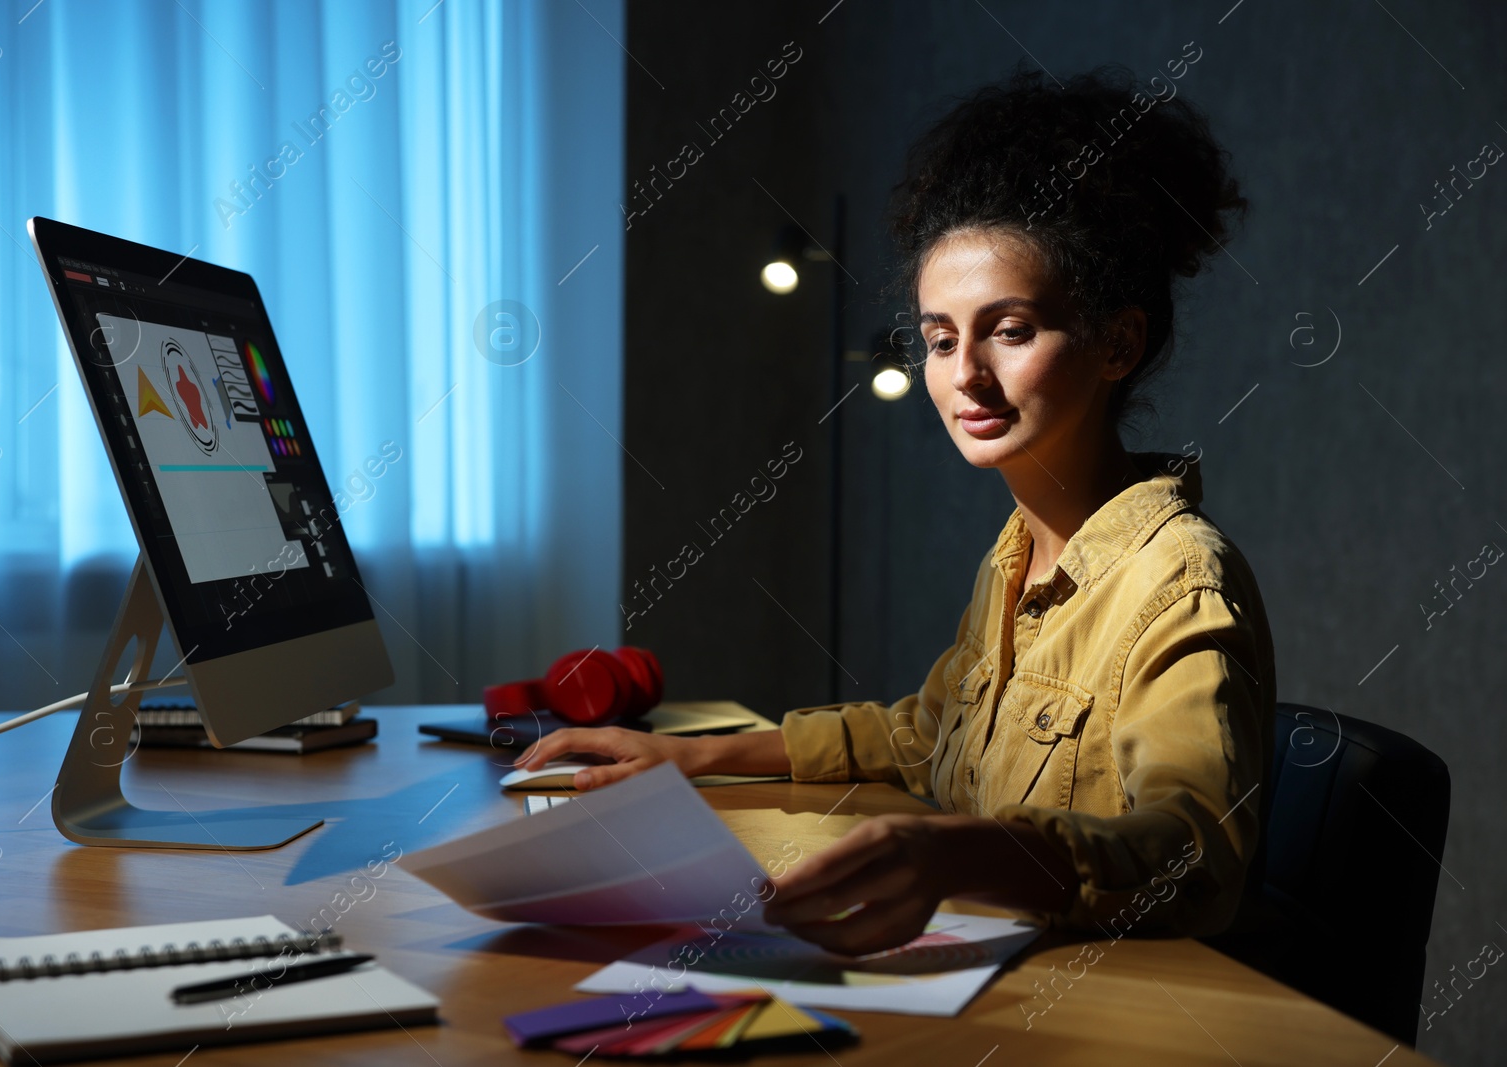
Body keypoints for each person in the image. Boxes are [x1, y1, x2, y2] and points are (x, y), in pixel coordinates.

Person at [515, 64, 1273, 957]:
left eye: (1013, 330)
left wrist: (955, 853)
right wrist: (696, 756)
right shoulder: (1016, 555)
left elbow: (1191, 854)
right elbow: (925, 734)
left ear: (1119, 342)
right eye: (941, 339)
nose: (966, 375)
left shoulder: (1179, 580)